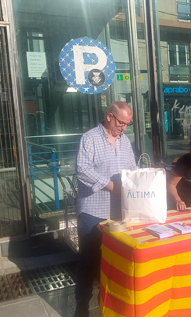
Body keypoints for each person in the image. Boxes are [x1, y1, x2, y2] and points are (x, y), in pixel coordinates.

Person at [74, 101, 137, 317]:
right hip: (93, 210)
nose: (124, 128)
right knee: (88, 258)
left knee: (114, 260)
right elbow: (82, 170)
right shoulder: (90, 138)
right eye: (121, 123)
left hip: (119, 212)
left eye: (128, 124)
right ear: (110, 116)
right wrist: (111, 186)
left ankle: (109, 303)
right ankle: (81, 305)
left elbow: (132, 169)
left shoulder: (125, 141)